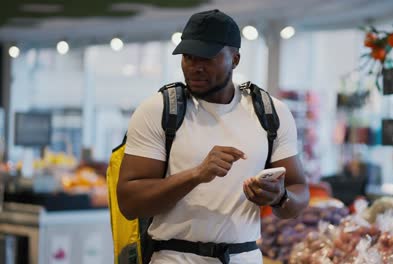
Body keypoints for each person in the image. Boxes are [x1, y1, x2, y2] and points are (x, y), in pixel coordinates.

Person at [117, 9, 309, 264]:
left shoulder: (271, 112)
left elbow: (299, 191)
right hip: (174, 257)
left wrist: (280, 196)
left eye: (206, 58)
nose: (195, 67)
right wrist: (196, 174)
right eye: (188, 57)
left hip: (245, 256)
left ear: (236, 59)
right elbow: (129, 203)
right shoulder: (159, 110)